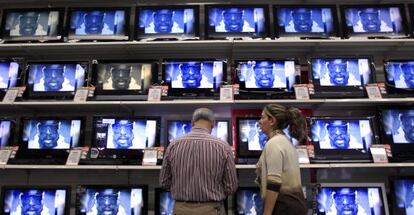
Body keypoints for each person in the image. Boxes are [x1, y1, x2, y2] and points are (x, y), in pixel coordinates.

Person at [160, 108, 238, 215]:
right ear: (213, 124)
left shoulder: (173, 145)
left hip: (181, 209)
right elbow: (231, 186)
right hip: (212, 209)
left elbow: (164, 182)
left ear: (192, 123)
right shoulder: (223, 147)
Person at [255, 104, 307, 215]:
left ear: (272, 121)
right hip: (294, 205)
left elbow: (274, 183)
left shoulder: (274, 143)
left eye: (263, 117)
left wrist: (267, 213)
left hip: (284, 207)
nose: (259, 121)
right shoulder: (285, 141)